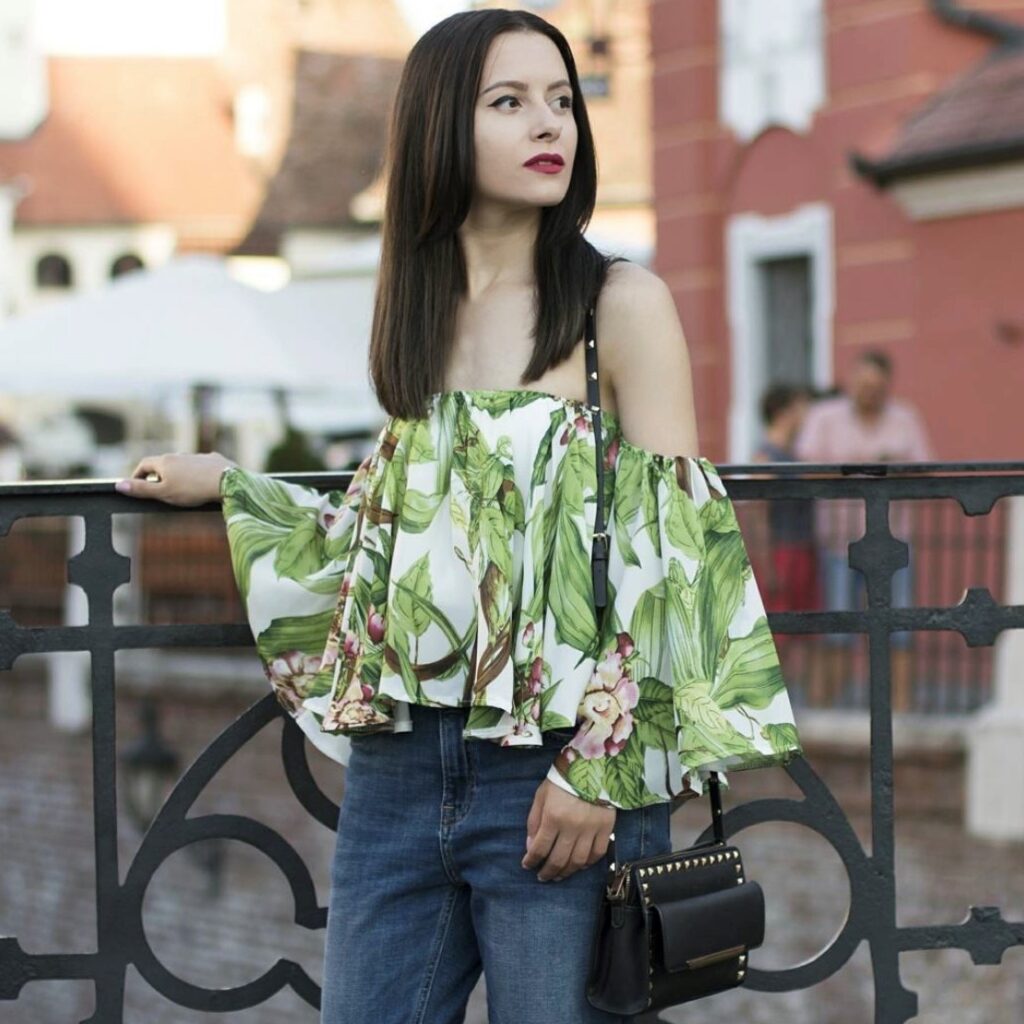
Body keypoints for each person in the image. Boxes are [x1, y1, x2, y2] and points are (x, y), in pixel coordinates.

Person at [115, 10, 803, 1023]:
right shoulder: (415, 320)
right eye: (511, 101)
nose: (551, 123)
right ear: (442, 125)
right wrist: (237, 486)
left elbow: (679, 557)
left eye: (562, 99)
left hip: (560, 776)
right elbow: (388, 539)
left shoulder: (619, 305)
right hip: (399, 777)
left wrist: (601, 770)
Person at [793, 350, 934, 712]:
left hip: (892, 542)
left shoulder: (904, 419)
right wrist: (857, 469)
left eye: (876, 387)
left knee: (898, 628)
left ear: (887, 387)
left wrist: (893, 465)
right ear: (852, 383)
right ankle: (825, 709)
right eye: (863, 385)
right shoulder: (825, 418)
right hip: (839, 541)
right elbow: (807, 465)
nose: (869, 392)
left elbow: (925, 468)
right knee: (837, 627)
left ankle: (900, 709)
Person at [751, 383, 820, 678]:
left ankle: (797, 698)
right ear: (783, 412)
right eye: (800, 408)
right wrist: (767, 564)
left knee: (803, 628)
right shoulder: (765, 456)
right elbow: (757, 515)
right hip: (780, 550)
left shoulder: (794, 454)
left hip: (802, 548)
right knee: (776, 631)